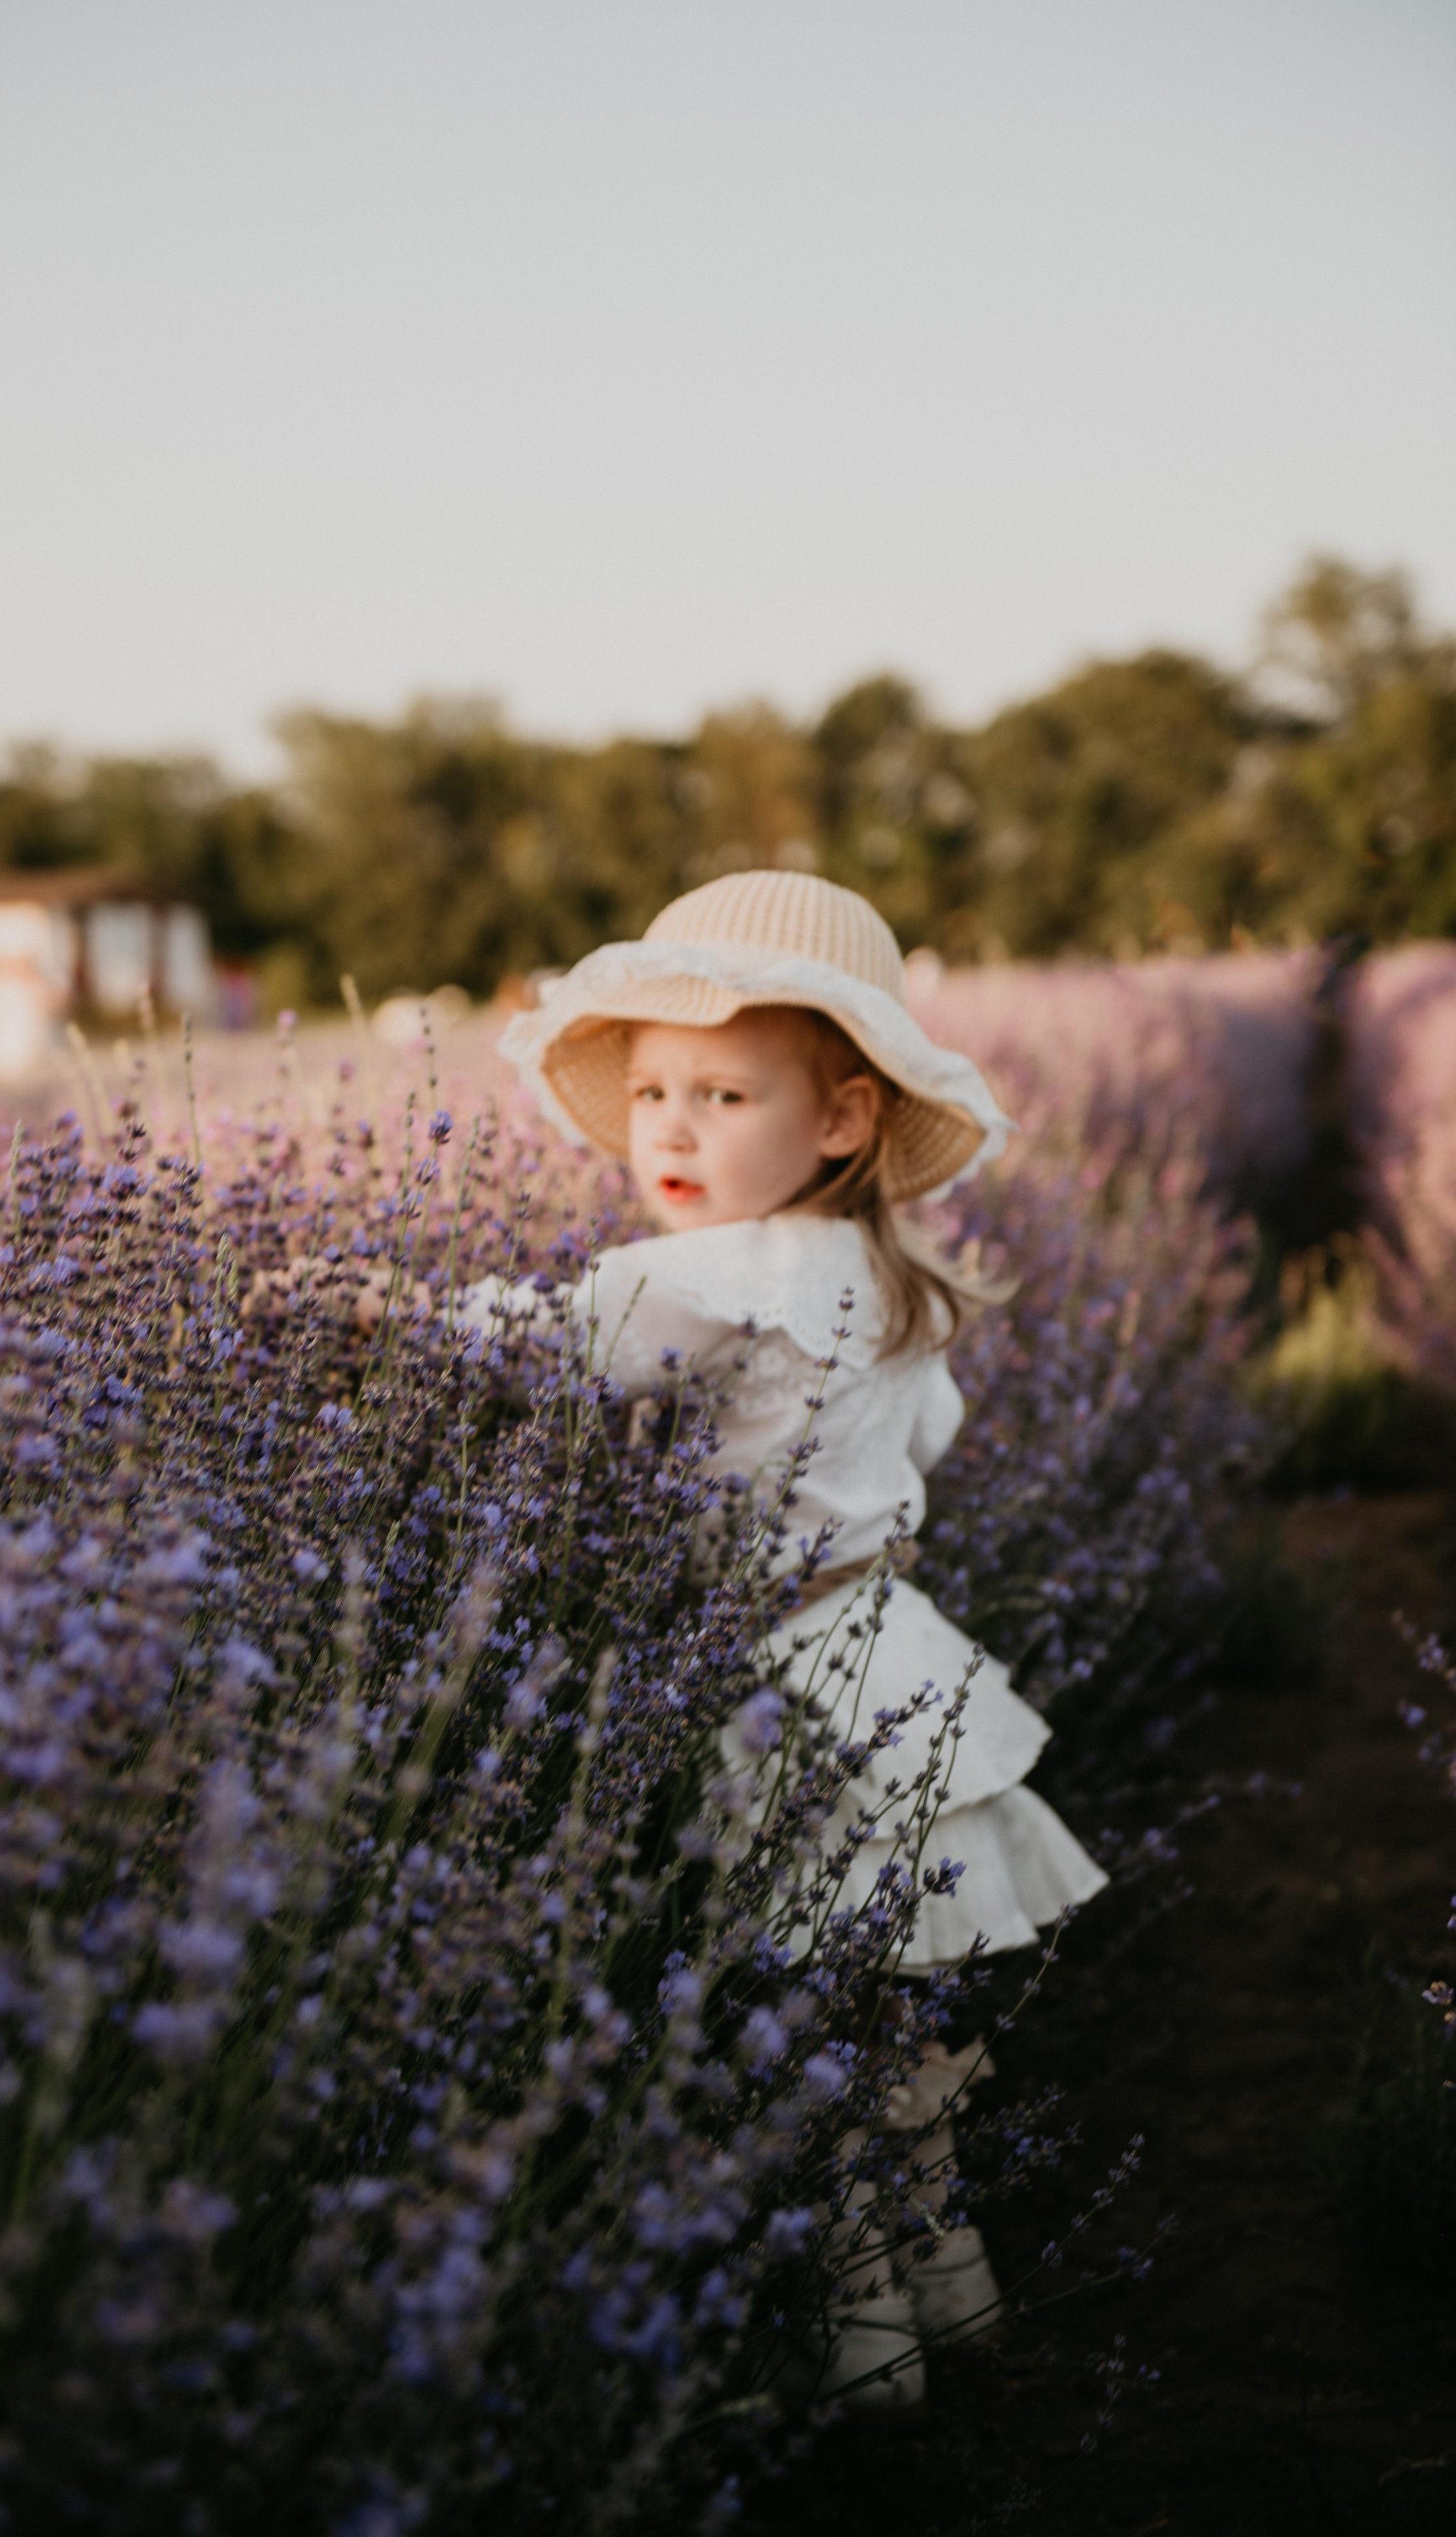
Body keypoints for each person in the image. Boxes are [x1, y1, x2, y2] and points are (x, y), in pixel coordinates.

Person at [402, 871, 1109, 2408]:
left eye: (722, 1093)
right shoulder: (884, 1281)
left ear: (840, 1119)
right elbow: (922, 1435)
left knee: (796, 2040)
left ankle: (862, 2365)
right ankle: (959, 2305)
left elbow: (537, 1347)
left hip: (770, 1692)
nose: (666, 1128)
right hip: (885, 1659)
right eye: (651, 1090)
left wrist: (362, 1315)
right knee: (882, 2039)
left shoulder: (712, 1273)